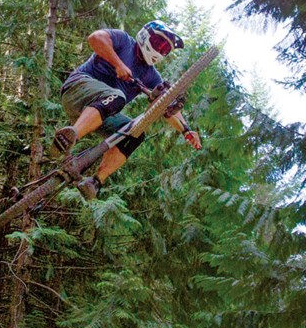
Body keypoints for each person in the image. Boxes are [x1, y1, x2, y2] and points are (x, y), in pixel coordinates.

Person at [50, 20, 202, 200]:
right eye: (159, 44)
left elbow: (166, 105)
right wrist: (118, 63)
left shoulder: (151, 76)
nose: (160, 52)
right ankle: (69, 136)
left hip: (96, 112)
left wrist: (186, 130)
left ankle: (96, 181)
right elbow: (95, 38)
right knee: (117, 96)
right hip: (77, 89)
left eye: (164, 50)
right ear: (146, 35)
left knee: (135, 133)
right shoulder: (123, 41)